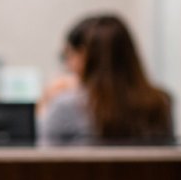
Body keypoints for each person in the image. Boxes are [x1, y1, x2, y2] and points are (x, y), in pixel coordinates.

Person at [39, 14, 173, 145]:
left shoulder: (66, 105)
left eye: (68, 55)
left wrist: (45, 102)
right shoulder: (161, 102)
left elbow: (42, 160)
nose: (68, 65)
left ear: (84, 56)